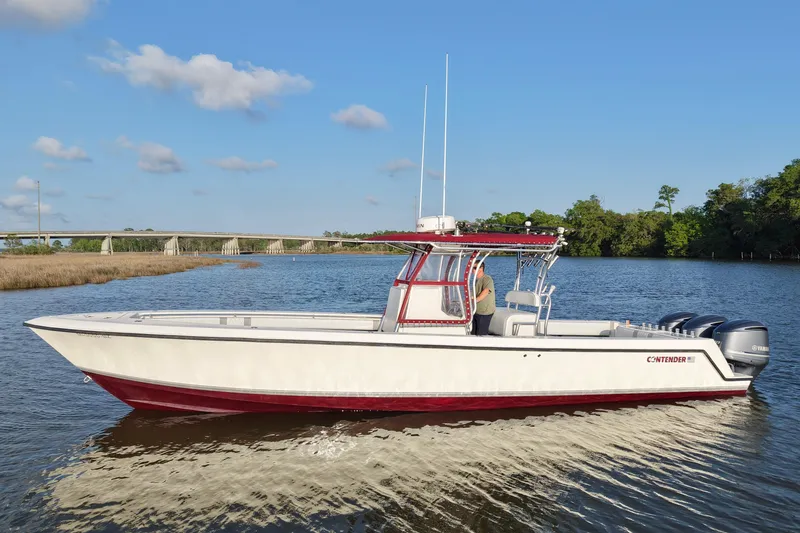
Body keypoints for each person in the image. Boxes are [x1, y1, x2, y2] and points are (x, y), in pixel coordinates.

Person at [472, 262, 495, 335]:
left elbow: (486, 291)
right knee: (473, 334)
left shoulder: (487, 279)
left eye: (474, 268)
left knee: (481, 335)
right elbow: (474, 294)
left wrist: (475, 301)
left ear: (481, 269)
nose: (472, 270)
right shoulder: (476, 280)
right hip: (476, 311)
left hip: (484, 312)